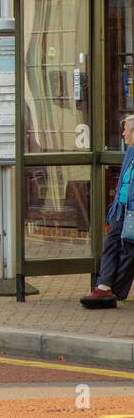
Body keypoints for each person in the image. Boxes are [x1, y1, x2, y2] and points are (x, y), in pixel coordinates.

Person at [81, 114, 134, 308]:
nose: (123, 133)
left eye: (126, 130)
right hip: (121, 210)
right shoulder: (130, 151)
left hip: (133, 212)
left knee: (128, 252)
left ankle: (114, 292)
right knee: (111, 245)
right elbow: (123, 183)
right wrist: (113, 211)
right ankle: (104, 287)